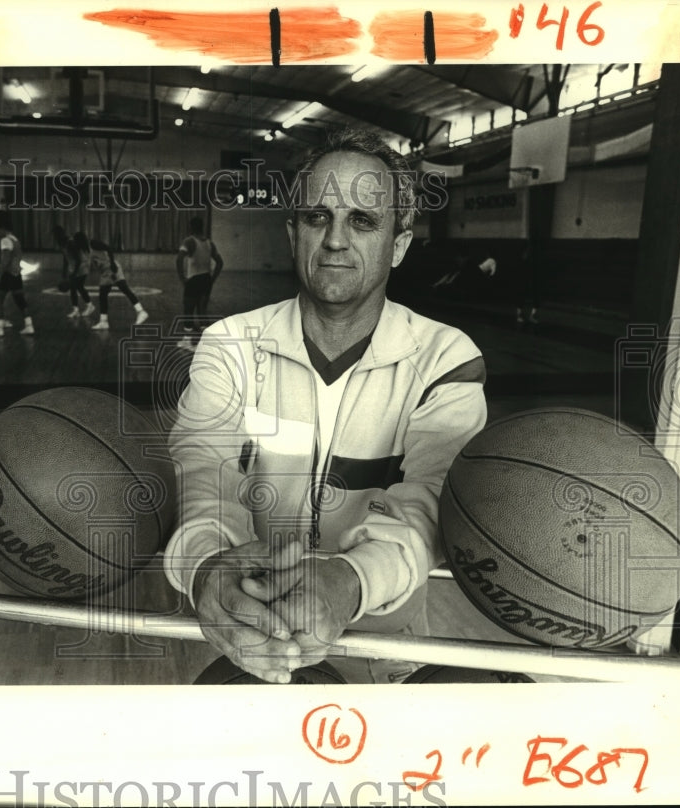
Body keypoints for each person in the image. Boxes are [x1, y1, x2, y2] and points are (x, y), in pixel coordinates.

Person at [163, 128, 488, 684]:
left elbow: (432, 498)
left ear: (400, 244)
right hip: (252, 631)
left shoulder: (446, 357)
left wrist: (348, 580)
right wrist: (208, 561)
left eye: (362, 221)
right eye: (318, 217)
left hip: (384, 639)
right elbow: (203, 466)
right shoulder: (229, 344)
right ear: (294, 233)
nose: (336, 239)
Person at [176, 216, 224, 350]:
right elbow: (220, 263)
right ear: (202, 227)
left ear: (191, 227)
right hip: (206, 279)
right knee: (202, 311)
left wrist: (182, 278)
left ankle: (187, 341)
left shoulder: (189, 241)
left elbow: (179, 259)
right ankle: (207, 343)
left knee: (188, 309)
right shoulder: (210, 243)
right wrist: (212, 279)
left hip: (194, 279)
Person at [83, 234, 149, 331]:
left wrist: (113, 264)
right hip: (106, 271)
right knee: (114, 292)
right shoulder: (86, 252)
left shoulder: (92, 243)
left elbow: (108, 248)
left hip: (111, 268)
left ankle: (104, 321)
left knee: (112, 292)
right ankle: (140, 311)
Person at [0, 210, 34, 336]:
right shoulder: (14, 238)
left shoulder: (5, 240)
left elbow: (5, 260)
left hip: (7, 274)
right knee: (20, 300)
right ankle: (29, 325)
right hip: (16, 274)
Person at [53, 225, 94, 320]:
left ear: (59, 234)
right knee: (78, 287)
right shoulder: (62, 243)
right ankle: (85, 307)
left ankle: (80, 309)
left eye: (55, 234)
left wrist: (74, 273)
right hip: (75, 267)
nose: (54, 237)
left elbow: (78, 259)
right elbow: (66, 257)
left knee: (74, 288)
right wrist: (64, 270)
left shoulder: (70, 243)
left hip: (81, 266)